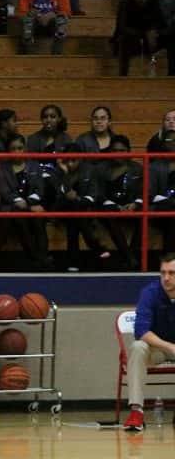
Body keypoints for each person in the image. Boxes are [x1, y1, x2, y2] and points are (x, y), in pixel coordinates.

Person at [122, 252, 175, 431]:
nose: (166, 278)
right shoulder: (150, 293)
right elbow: (141, 331)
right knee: (137, 347)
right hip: (157, 349)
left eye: (172, 273)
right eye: (163, 273)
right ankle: (136, 411)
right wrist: (169, 346)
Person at [0, 134, 52, 269]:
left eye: (20, 148)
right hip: (11, 206)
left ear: (25, 148)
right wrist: (23, 204)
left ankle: (43, 256)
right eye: (13, 149)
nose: (17, 152)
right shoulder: (1, 167)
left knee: (38, 217)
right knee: (19, 216)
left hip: (32, 204)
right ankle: (34, 256)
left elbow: (40, 190)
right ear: (7, 151)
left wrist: (28, 204)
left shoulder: (34, 166)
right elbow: (4, 192)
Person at [54, 143, 109, 271]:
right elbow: (59, 196)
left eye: (73, 160)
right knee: (75, 213)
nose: (70, 164)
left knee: (74, 219)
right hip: (63, 207)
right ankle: (95, 246)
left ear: (81, 159)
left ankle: (73, 261)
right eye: (67, 160)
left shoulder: (90, 170)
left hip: (83, 209)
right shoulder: (60, 171)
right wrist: (65, 174)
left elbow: (93, 196)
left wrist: (78, 199)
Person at [93, 134, 140, 269]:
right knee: (109, 215)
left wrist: (135, 204)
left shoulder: (137, 168)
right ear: (110, 151)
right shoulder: (100, 168)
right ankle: (129, 257)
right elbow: (98, 194)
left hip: (131, 206)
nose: (118, 153)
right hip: (109, 207)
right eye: (114, 150)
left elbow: (144, 191)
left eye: (122, 150)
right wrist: (115, 206)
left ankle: (133, 254)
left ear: (128, 151)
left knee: (144, 215)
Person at [116, 0, 163, 76]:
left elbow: (158, 21)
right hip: (131, 35)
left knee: (153, 38)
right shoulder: (125, 1)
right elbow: (122, 26)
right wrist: (137, 33)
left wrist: (152, 30)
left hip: (148, 34)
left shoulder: (153, 1)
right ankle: (123, 75)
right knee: (124, 40)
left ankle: (152, 68)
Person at [145, 128, 175, 253]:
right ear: (164, 144)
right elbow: (149, 195)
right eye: (171, 140)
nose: (174, 143)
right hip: (160, 208)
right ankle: (169, 256)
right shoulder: (154, 167)